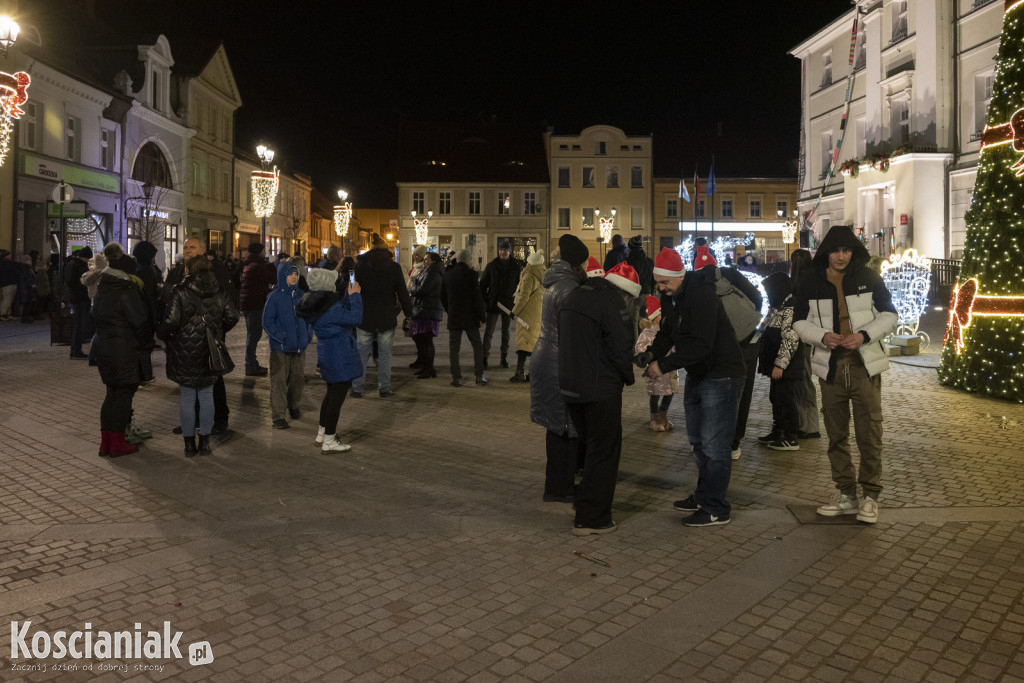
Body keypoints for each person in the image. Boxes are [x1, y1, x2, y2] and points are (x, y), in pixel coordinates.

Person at [792, 226, 897, 524]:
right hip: (832, 368)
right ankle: (847, 494)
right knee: (836, 434)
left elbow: (889, 314)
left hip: (865, 367)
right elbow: (799, 321)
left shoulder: (868, 278)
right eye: (837, 251)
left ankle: (871, 497)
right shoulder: (811, 281)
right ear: (827, 252)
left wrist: (864, 335)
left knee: (870, 433)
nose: (842, 256)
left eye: (847, 250)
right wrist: (822, 336)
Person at [638, 247, 746, 527]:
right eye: (659, 283)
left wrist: (662, 366)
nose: (662, 288)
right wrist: (652, 354)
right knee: (698, 442)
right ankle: (703, 495)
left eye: (666, 283)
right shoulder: (672, 296)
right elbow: (667, 333)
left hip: (722, 373)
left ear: (679, 275)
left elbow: (701, 344)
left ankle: (716, 508)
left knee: (715, 445)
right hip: (700, 372)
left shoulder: (701, 295)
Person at [559, 261, 639, 535]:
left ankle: (583, 503)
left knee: (589, 449)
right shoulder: (611, 303)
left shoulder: (575, 294)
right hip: (599, 389)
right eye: (629, 298)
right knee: (603, 452)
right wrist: (629, 376)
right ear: (624, 292)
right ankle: (593, 518)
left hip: (571, 387)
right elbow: (620, 346)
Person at [160, 255, 239, 456]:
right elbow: (232, 316)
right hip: (209, 350)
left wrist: (166, 337)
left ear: (188, 270)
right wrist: (218, 332)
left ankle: (188, 445)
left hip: (184, 349)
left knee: (187, 396)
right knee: (206, 396)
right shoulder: (219, 290)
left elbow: (171, 321)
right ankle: (204, 442)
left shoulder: (180, 291)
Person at [692, 242, 764, 461]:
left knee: (713, 392)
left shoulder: (696, 283)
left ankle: (711, 440)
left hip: (718, 347)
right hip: (748, 343)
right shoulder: (731, 273)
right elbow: (758, 298)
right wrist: (744, 324)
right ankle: (734, 443)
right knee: (743, 393)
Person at [532, 234, 589, 504]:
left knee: (558, 427)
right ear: (577, 262)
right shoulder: (568, 288)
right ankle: (559, 488)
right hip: (559, 361)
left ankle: (558, 484)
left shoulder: (558, 281)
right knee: (565, 427)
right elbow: (572, 332)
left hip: (549, 358)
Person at [91, 251, 151, 457]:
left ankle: (106, 442)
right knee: (123, 395)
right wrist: (146, 341)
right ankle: (117, 443)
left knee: (111, 394)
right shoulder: (126, 290)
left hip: (105, 349)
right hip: (124, 351)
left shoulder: (103, 289)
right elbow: (140, 322)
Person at [297, 268, 363, 453]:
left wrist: (351, 283)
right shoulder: (330, 307)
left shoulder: (320, 304)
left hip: (329, 353)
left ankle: (322, 432)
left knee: (331, 394)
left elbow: (342, 310)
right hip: (339, 354)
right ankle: (330, 440)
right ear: (327, 285)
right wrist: (356, 295)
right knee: (336, 397)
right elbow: (356, 317)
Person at [350, 236, 412, 398]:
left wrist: (351, 309)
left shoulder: (359, 267)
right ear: (386, 250)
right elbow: (403, 293)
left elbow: (351, 287)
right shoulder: (394, 267)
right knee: (385, 354)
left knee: (362, 353)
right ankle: (384, 387)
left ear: (371, 249)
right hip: (386, 316)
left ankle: (357, 387)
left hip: (365, 316)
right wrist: (409, 313)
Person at [756, 272, 804, 451]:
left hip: (786, 366)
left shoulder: (791, 307)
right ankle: (778, 431)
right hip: (776, 364)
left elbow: (790, 339)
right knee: (776, 397)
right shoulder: (780, 305)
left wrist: (780, 364)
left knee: (785, 399)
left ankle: (790, 436)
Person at [263, 260, 312, 429]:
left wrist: (307, 335)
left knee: (298, 379)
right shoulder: (274, 297)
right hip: (281, 348)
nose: (293, 276)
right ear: (283, 275)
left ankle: (293, 404)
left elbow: (308, 319)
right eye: (290, 273)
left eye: (296, 274)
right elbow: (267, 322)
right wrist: (281, 337)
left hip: (299, 347)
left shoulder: (301, 296)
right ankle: (278, 416)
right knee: (279, 381)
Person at [442, 249, 487, 387]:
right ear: (468, 260)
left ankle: (457, 377)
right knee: (477, 345)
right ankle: (479, 376)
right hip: (470, 316)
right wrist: (482, 317)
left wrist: (449, 310)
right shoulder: (472, 275)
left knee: (454, 348)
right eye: (471, 260)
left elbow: (442, 296)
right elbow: (477, 298)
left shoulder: (448, 275)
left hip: (455, 315)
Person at [789, 248, 820, 439]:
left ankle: (808, 425)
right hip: (809, 333)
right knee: (804, 378)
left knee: (802, 379)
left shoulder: (798, 283)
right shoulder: (815, 280)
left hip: (800, 334)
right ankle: (807, 423)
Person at [636, 295, 678, 431]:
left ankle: (663, 416)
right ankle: (654, 418)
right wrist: (647, 359)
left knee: (670, 392)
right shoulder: (647, 333)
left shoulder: (669, 330)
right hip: (656, 369)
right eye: (661, 315)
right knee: (655, 394)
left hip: (669, 369)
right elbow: (640, 348)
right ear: (654, 317)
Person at [479, 240, 521, 370]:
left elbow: (519, 285)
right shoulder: (491, 266)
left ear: (510, 251)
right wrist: (487, 300)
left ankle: (504, 358)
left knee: (506, 332)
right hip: (493, 303)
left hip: (508, 304)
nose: (502, 252)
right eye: (501, 249)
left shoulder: (515, 266)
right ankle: (484, 357)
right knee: (489, 331)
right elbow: (483, 285)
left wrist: (516, 299)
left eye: (505, 250)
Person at [239, 243, 276, 376]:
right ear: (259, 252)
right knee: (254, 335)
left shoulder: (249, 264)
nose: (264, 252)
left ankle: (252, 362)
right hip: (255, 303)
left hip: (248, 303)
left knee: (252, 334)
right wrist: (274, 266)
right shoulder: (257, 266)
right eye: (263, 250)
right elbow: (272, 278)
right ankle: (250, 365)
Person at [509, 249, 546, 382]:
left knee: (523, 344)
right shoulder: (542, 274)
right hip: (537, 313)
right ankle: (533, 374)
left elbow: (523, 296)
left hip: (526, 315)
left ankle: (519, 372)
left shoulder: (529, 275)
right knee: (533, 345)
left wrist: (514, 311)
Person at [409, 251, 444, 379]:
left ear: (433, 261)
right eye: (423, 259)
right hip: (423, 309)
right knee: (421, 339)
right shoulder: (427, 271)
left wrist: (412, 288)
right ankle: (425, 367)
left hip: (429, 310)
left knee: (426, 340)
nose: (424, 262)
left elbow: (422, 290)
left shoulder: (433, 273)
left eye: (426, 259)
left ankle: (429, 369)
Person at [132, 241, 162, 387]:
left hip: (141, 312)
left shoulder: (136, 269)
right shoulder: (146, 271)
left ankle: (143, 375)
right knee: (144, 346)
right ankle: (144, 376)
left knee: (142, 345)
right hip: (146, 313)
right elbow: (149, 296)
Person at [63, 247, 93, 358]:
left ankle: (76, 350)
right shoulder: (76, 265)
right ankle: (75, 350)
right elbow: (72, 282)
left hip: (78, 298)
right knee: (79, 325)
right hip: (79, 298)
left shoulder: (74, 264)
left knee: (79, 324)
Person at [406, 245, 430, 370]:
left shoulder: (423, 270)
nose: (415, 257)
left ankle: (423, 360)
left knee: (419, 334)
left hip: (419, 305)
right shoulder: (414, 268)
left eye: (418, 255)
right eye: (414, 255)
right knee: (413, 333)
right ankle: (421, 358)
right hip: (412, 303)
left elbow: (416, 287)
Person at [0, 249, 16, 321]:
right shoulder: (5, 263)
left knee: (9, 299)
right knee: (7, 299)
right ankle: (3, 314)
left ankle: (7, 313)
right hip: (7, 283)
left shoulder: (6, 263)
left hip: (7, 282)